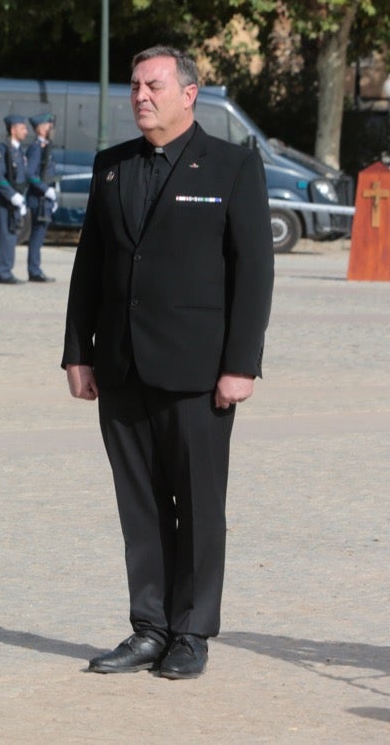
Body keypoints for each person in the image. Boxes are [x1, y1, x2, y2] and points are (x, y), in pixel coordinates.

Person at [63, 46, 273, 681]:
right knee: (141, 506)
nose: (140, 96)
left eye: (153, 85)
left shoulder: (233, 167)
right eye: (133, 86)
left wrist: (242, 364)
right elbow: (90, 268)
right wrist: (79, 353)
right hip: (123, 367)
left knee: (199, 506)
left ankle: (192, 631)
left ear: (190, 92)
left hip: (199, 373)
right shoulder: (112, 166)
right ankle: (148, 626)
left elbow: (254, 272)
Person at [0, 114, 30, 285]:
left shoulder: (17, 150)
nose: (26, 132)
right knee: (5, 234)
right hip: (7, 199)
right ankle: (3, 271)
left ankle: (7, 269)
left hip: (17, 197)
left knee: (12, 233)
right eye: (23, 128)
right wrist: (11, 194)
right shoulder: (4, 149)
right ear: (13, 129)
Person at [23, 112, 58, 282]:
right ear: (40, 128)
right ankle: (34, 270)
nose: (52, 129)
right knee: (37, 235)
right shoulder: (36, 148)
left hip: (45, 199)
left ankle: (36, 268)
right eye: (49, 126)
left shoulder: (46, 146)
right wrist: (45, 190)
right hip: (39, 199)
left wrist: (54, 193)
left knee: (40, 234)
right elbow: (30, 174)